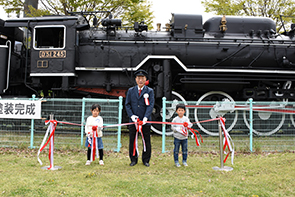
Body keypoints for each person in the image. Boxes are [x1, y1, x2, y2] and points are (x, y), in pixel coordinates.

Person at [125, 69, 154, 167]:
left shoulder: (150, 91)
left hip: (145, 121)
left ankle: (146, 160)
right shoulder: (131, 91)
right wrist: (132, 116)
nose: (140, 80)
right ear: (135, 79)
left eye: (142, 78)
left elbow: (150, 105)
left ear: (146, 79)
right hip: (133, 121)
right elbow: (127, 104)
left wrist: (146, 117)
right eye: (138, 78)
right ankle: (133, 159)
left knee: (146, 141)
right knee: (132, 140)